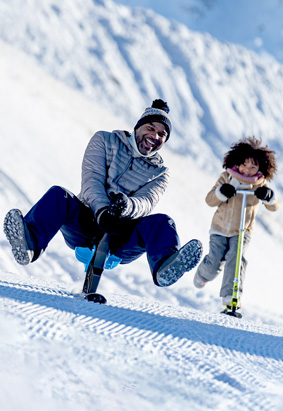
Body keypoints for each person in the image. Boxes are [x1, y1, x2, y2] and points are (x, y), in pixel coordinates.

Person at [4, 99, 202, 288]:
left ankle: (165, 266)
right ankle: (29, 244)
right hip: (86, 223)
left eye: (162, 134)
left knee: (162, 223)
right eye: (151, 128)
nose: (155, 136)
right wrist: (102, 211)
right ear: (137, 127)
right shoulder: (105, 140)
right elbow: (92, 179)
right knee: (58, 196)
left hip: (122, 235)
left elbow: (146, 201)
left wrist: (126, 206)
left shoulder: (160, 173)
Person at [193, 136, 280, 307]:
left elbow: (275, 206)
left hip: (242, 231)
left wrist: (269, 197)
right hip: (219, 228)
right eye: (244, 165)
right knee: (215, 261)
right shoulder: (226, 178)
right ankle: (203, 274)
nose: (247, 170)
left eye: (253, 167)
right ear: (236, 163)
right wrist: (221, 192)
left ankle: (231, 296)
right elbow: (210, 200)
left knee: (236, 258)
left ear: (260, 168)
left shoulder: (259, 185)